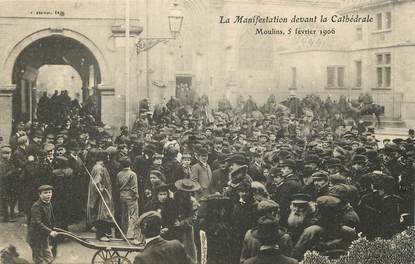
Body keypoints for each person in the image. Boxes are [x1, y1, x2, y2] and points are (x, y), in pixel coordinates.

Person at [86, 150, 114, 241]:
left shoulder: (99, 167)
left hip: (102, 194)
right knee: (101, 214)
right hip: (101, 195)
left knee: (102, 213)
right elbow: (97, 181)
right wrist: (100, 188)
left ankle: (104, 232)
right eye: (107, 156)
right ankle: (100, 235)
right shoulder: (99, 168)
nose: (108, 158)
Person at [27, 185, 58, 264]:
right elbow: (37, 223)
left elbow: (51, 218)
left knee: (48, 256)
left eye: (50, 192)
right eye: (45, 193)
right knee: (39, 258)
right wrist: (49, 231)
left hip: (43, 235)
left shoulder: (49, 203)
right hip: (35, 236)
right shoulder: (36, 206)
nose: (48, 195)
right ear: (40, 194)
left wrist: (53, 228)